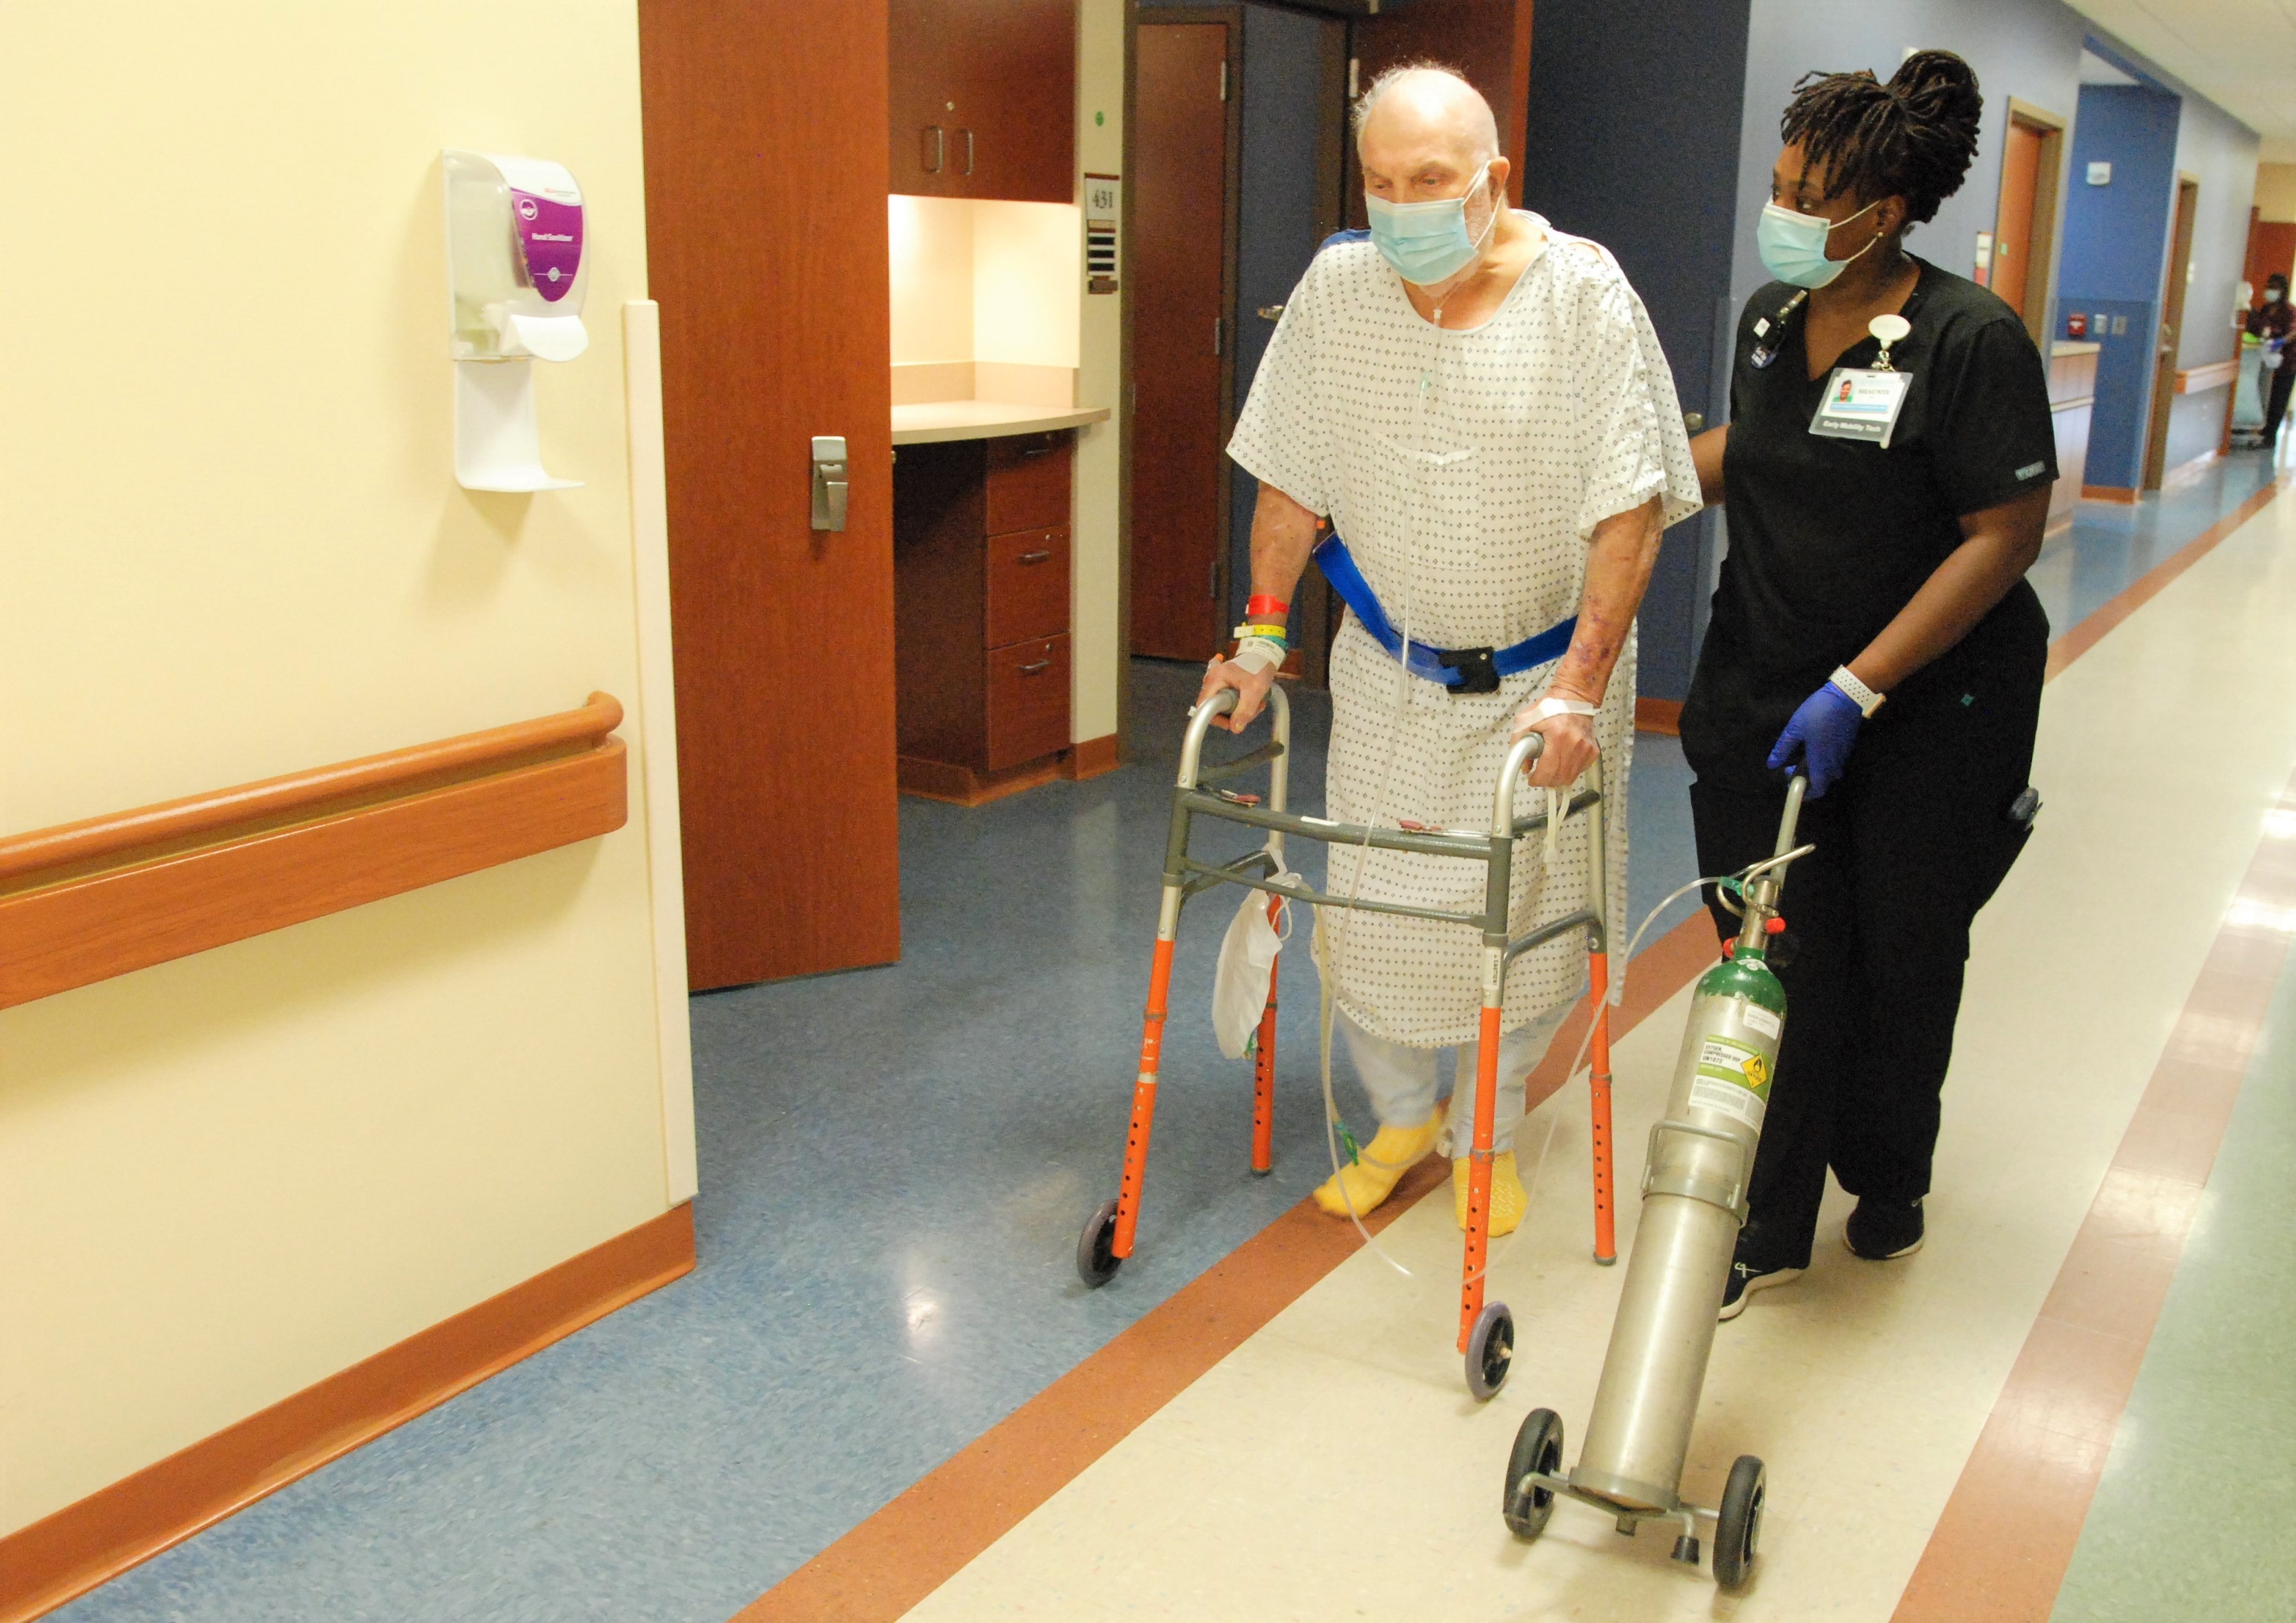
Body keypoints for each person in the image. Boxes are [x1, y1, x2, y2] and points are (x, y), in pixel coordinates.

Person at [1203, 63, 1699, 1236]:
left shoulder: (1583, 296)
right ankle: (1399, 1121)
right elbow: (1288, 485)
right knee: (1370, 914)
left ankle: (1486, 1135)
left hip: (1541, 684)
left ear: (1492, 179)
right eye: (1380, 184)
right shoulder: (1337, 290)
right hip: (1387, 671)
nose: (1401, 207)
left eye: (1428, 180)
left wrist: (1579, 688)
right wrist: (1260, 640)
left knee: (1515, 937)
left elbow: (1628, 514)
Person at [1681, 51, 2052, 1318]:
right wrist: (1648, 476)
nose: (1777, 213)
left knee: (1899, 955)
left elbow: (2002, 533)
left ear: (1881, 214)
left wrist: (1860, 684)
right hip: (1760, 680)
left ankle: (1885, 1173)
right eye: (1778, 185)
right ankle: (1769, 1217)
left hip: (1929, 708)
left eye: (1804, 194)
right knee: (1772, 953)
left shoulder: (1967, 338)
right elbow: (1763, 446)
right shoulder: (1770, 318)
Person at [2246, 273, 2293, 452]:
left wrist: (2281, 341)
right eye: (2269, 286)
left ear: (2282, 290)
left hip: (2286, 361)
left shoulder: (2289, 311)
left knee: (2279, 399)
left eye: (2274, 287)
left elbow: (2293, 332)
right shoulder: (2266, 309)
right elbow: (2258, 328)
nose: (2270, 291)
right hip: (2264, 359)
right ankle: (2263, 430)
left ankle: (2271, 434)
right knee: (2263, 393)